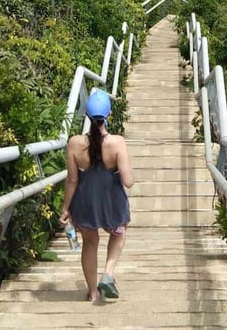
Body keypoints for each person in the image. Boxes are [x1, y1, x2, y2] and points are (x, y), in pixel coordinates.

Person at [59, 89, 134, 303]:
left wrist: (65, 209)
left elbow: (72, 180)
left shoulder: (74, 143)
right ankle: (108, 273)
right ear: (108, 115)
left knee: (90, 243)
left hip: (86, 203)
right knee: (118, 232)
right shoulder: (117, 143)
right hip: (112, 203)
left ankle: (93, 293)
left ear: (87, 116)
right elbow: (128, 181)